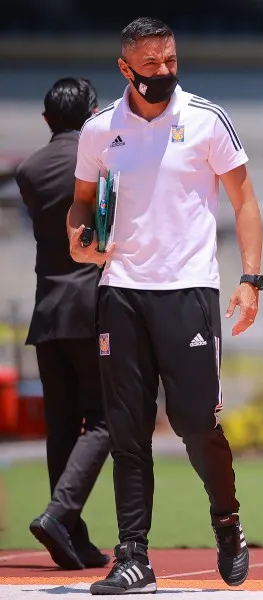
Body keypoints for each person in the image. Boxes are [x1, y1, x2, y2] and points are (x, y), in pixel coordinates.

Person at [66, 17, 263, 595]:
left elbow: (245, 200)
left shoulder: (207, 119)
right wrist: (78, 238)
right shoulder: (100, 130)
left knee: (196, 424)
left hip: (189, 290)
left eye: (170, 61)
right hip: (120, 289)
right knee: (127, 429)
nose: (163, 73)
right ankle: (133, 556)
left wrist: (251, 278)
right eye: (150, 65)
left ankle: (226, 523)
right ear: (125, 68)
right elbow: (80, 207)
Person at [15, 77, 111, 571]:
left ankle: (73, 536)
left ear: (47, 120)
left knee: (61, 428)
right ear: (94, 113)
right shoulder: (101, 157)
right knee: (106, 418)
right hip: (93, 307)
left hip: (48, 311)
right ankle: (59, 514)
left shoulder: (29, 169)